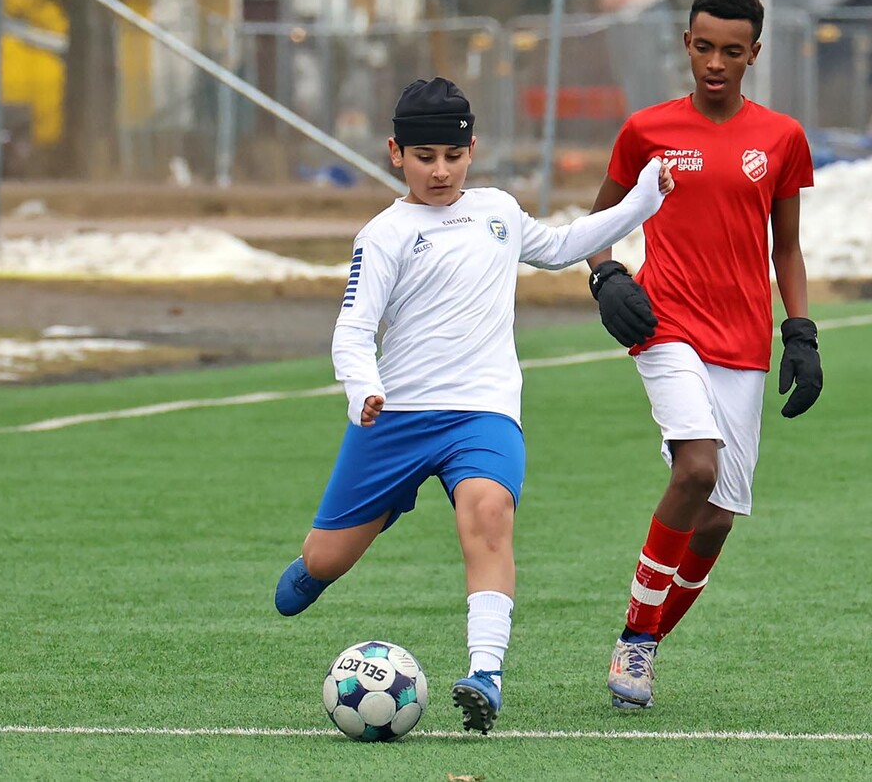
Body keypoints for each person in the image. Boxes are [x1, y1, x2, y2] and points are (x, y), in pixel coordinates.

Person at [272, 77, 674, 733]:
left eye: (453, 156)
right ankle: (363, 525)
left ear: (472, 151)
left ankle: (485, 674)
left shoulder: (498, 211)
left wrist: (643, 201)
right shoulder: (384, 234)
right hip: (396, 418)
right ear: (396, 153)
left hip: (483, 413)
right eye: (424, 156)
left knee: (489, 516)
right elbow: (354, 328)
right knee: (321, 563)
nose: (440, 171)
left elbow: (563, 247)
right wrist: (362, 387)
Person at [584, 0, 823, 709]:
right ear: (686, 43)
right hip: (666, 325)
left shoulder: (781, 138)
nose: (716, 62)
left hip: (743, 338)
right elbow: (597, 224)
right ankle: (635, 638)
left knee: (717, 517)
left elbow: (787, 248)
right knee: (696, 468)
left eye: (732, 50)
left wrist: (801, 330)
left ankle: (646, 642)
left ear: (755, 53)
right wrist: (606, 277)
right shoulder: (646, 130)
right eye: (704, 47)